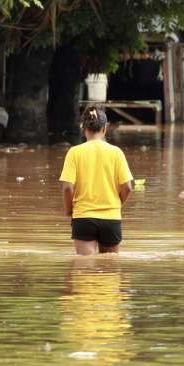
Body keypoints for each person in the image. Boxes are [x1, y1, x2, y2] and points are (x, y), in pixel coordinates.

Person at [59, 107, 134, 255]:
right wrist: (117, 204)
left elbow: (67, 188)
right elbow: (128, 187)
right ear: (105, 128)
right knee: (110, 269)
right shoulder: (116, 152)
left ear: (83, 128)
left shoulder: (74, 152)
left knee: (84, 268)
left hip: (83, 217)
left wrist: (69, 211)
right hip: (111, 218)